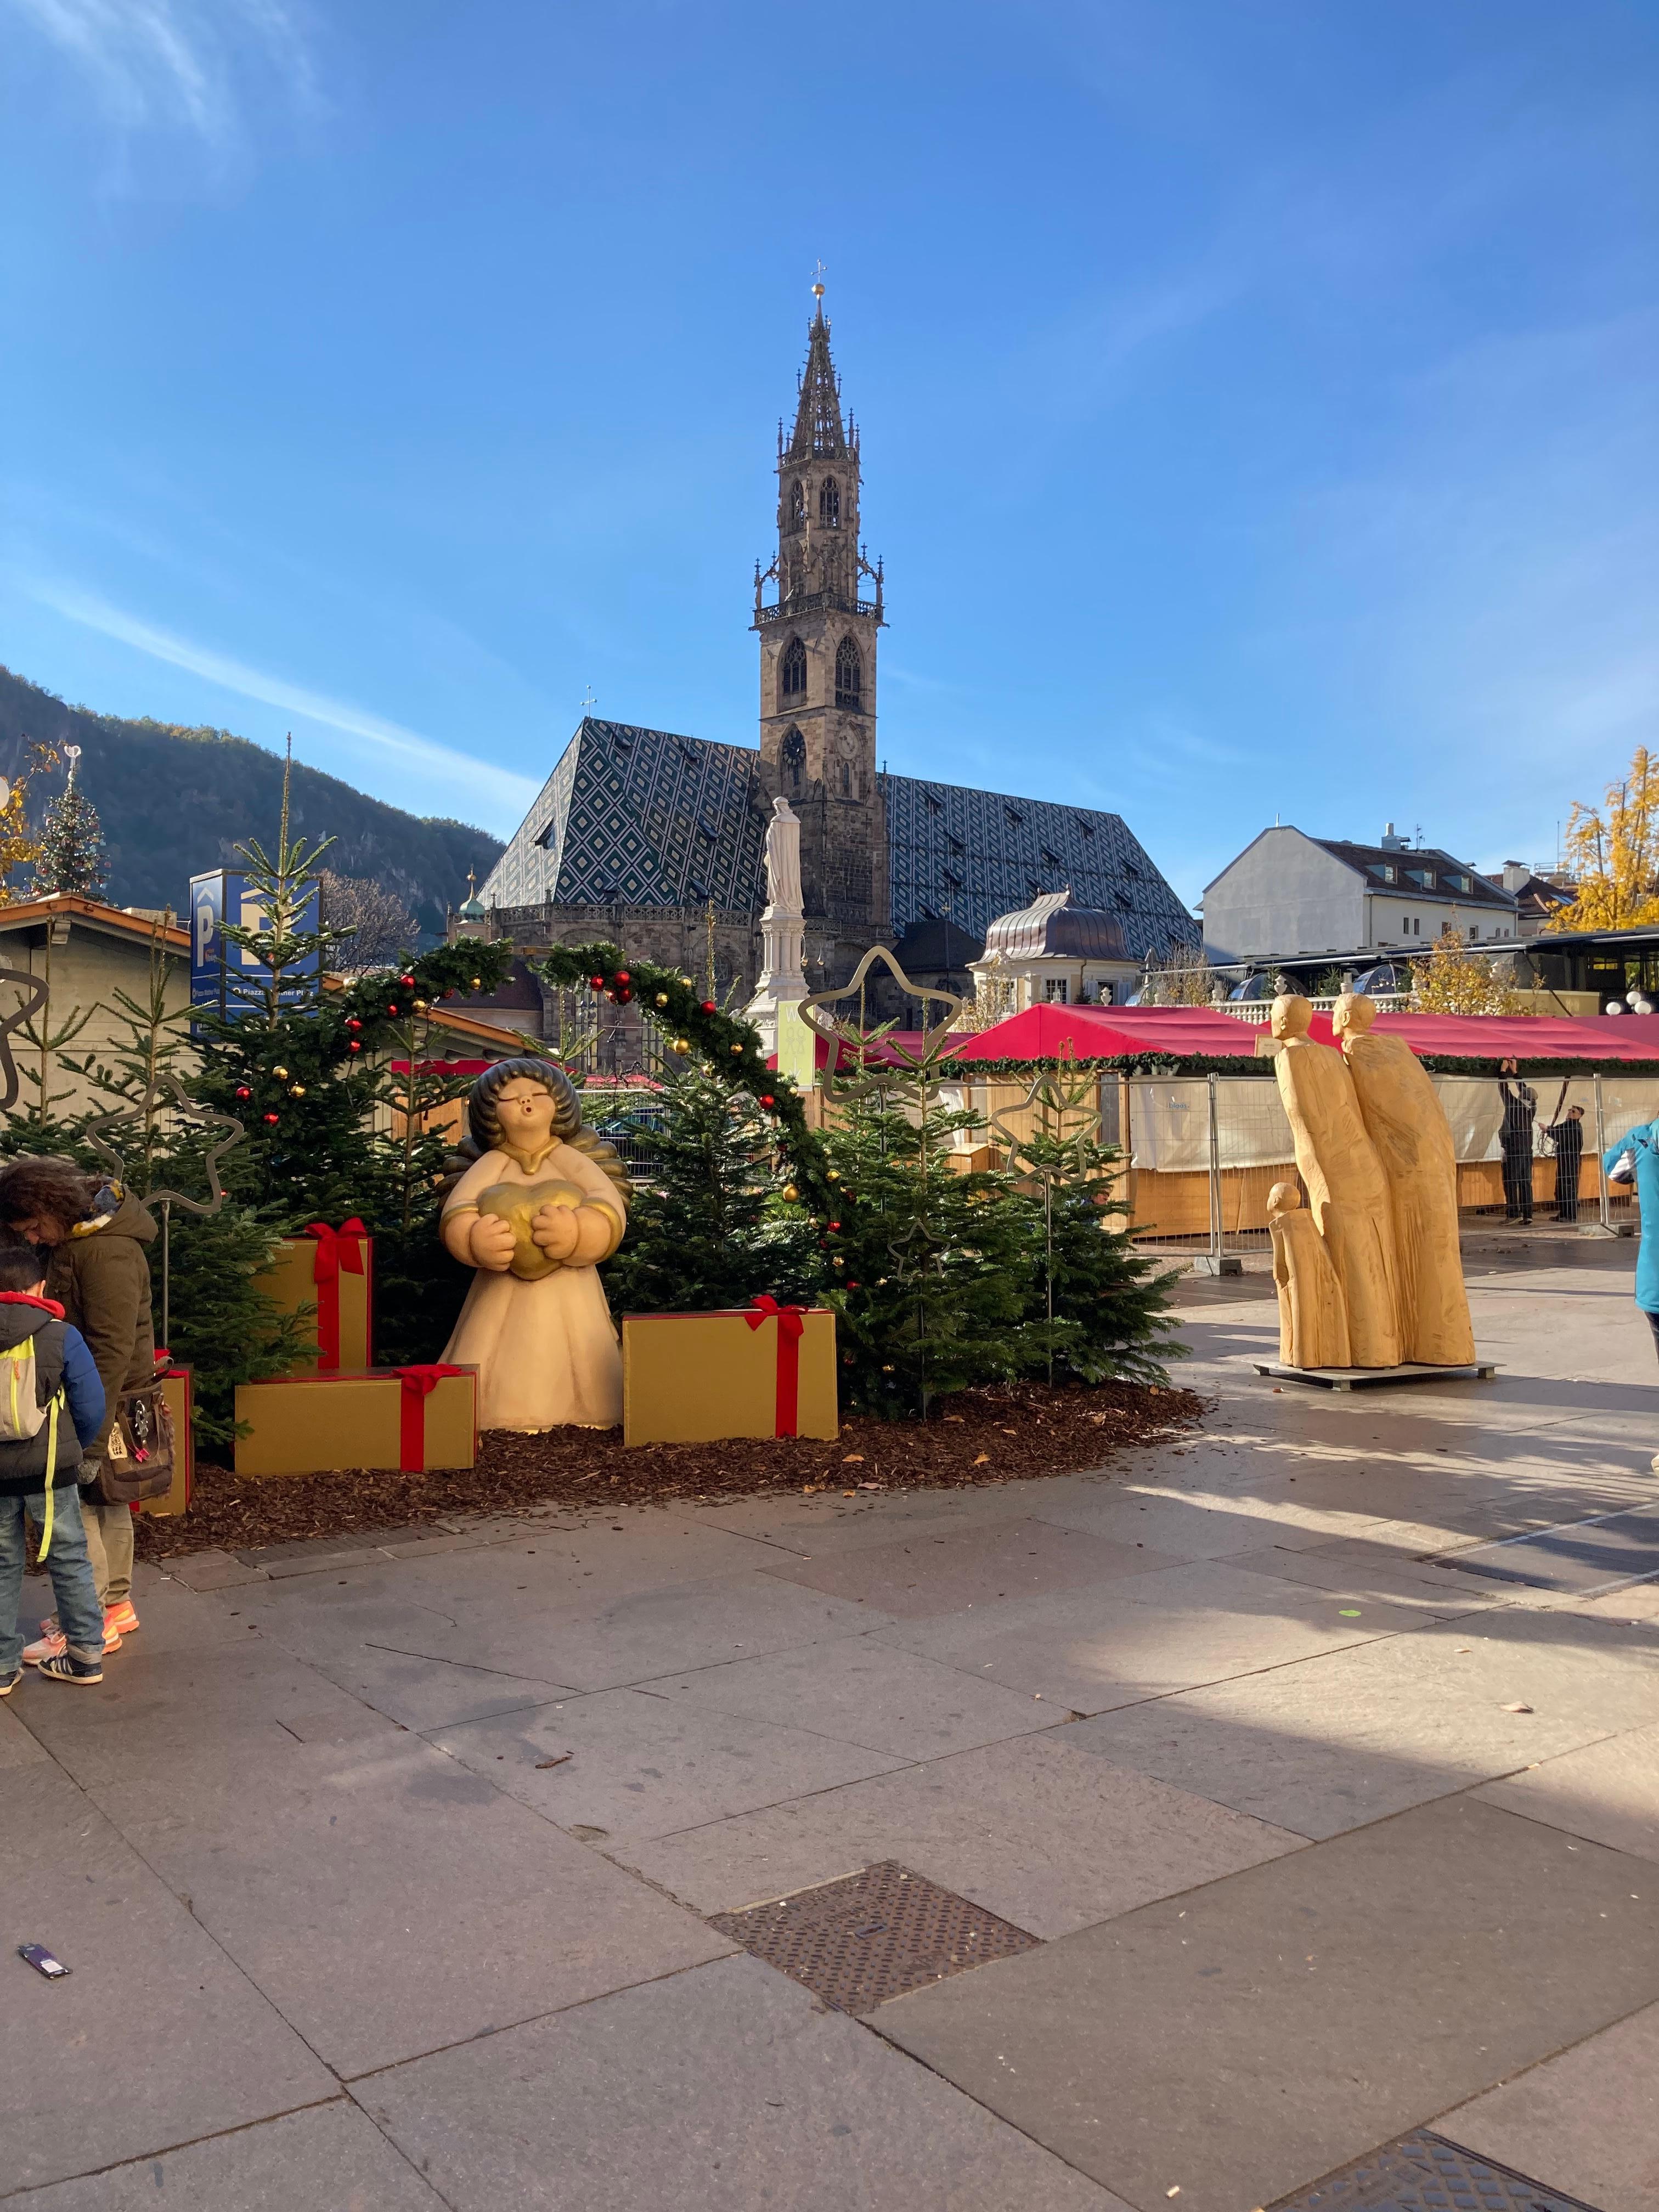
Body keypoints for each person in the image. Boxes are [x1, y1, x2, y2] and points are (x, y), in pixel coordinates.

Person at [0, 1159, 156, 1658]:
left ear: (50, 1206)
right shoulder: (85, 1239)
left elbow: (111, 1346)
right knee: (108, 1498)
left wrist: (89, 1438)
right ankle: (113, 1606)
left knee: (85, 1506)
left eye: (33, 1227)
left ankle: (86, 1619)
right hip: (110, 1390)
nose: (36, 1239)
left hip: (105, 1393)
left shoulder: (105, 1250)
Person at [440, 1059, 631, 1430]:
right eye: (512, 1099)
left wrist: (578, 1234)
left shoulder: (569, 1159)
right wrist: (475, 1240)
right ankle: (490, 1413)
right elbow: (458, 1209)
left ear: (559, 1103)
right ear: (490, 1113)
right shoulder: (492, 1163)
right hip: (499, 1289)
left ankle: (592, 1410)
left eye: (537, 1095)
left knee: (585, 1362)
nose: (526, 1103)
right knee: (490, 1355)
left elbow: (606, 1203)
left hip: (572, 1290)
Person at [0, 1243, 108, 1691]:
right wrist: (73, 1451)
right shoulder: (61, 1334)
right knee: (68, 1558)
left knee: (2, 1562)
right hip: (50, 1472)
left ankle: (3, 1666)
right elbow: (91, 1405)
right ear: (39, 1286)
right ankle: (84, 1656)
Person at [1498, 1060, 1537, 1223]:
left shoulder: (1514, 1105)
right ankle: (1528, 1214)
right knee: (1525, 1182)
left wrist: (1502, 1071)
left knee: (1511, 1182)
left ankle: (1513, 1214)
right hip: (1527, 1150)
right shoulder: (1532, 1108)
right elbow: (1524, 1090)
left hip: (1513, 1149)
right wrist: (1515, 1073)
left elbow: (1503, 1089)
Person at [1545, 1101, 1587, 1224]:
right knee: (1561, 1188)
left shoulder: (1575, 1128)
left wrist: (1548, 1131)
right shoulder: (1568, 1124)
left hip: (1571, 1162)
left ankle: (1570, 1215)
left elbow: (1561, 1136)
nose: (1570, 1112)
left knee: (1569, 1188)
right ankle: (1563, 1213)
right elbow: (1557, 1130)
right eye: (1569, 1110)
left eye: (1573, 1111)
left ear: (1579, 1116)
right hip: (1563, 1160)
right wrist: (1548, 1129)